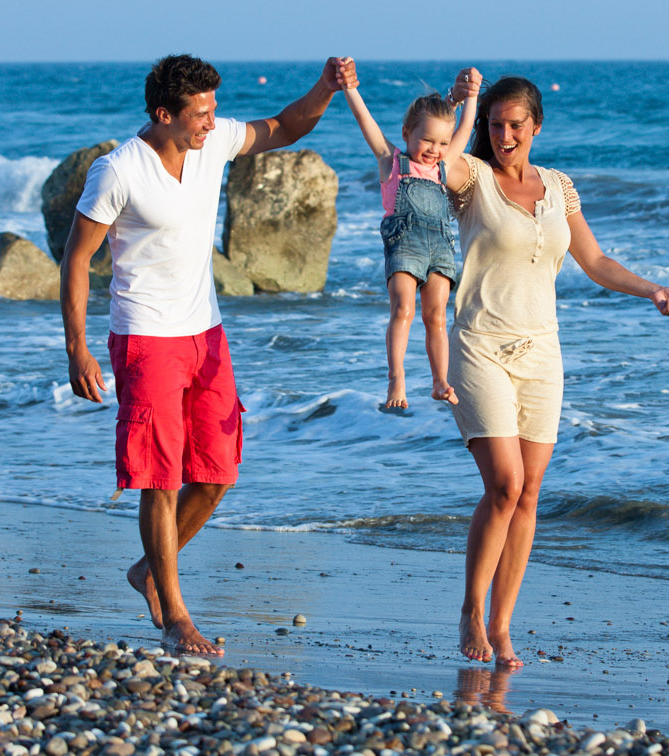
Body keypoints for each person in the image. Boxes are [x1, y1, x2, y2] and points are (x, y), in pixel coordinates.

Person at [59, 53, 356, 656]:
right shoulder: (118, 172)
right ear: (164, 115)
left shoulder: (212, 140)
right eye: (199, 112)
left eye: (214, 108)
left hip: (206, 334)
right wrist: (77, 350)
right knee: (159, 478)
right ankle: (175, 616)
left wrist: (324, 88)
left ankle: (148, 571)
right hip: (145, 337)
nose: (211, 121)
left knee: (218, 473)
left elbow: (284, 126)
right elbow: (75, 260)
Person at [440, 72, 669, 666]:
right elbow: (440, 160)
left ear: (536, 127)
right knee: (502, 483)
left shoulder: (559, 186)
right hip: (479, 344)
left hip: (542, 353)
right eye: (495, 126)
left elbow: (595, 260)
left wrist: (651, 290)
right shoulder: (472, 179)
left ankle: (502, 625)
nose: (504, 136)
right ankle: (470, 612)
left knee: (528, 494)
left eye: (515, 125)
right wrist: (464, 105)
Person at [340, 63, 483, 409]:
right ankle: (396, 380)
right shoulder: (393, 161)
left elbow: (465, 127)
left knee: (435, 316)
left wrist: (473, 96)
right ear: (407, 133)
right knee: (403, 309)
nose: (435, 149)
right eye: (427, 140)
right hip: (405, 246)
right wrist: (349, 89)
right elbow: (367, 123)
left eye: (442, 143)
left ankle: (439, 381)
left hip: (439, 250)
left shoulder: (443, 166)